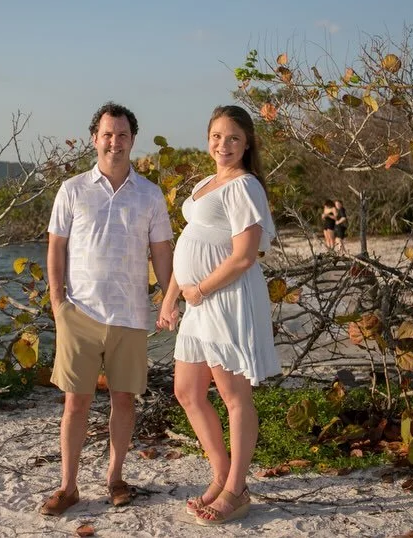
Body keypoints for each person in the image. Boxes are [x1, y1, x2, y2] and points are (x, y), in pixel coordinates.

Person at [40, 102, 174, 516]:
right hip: (78, 314)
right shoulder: (72, 189)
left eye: (122, 135)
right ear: (94, 138)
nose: (114, 141)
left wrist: (169, 300)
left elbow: (162, 256)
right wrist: (58, 301)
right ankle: (69, 486)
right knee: (74, 404)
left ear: (132, 140)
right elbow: (56, 247)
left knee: (124, 401)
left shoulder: (150, 195)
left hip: (131, 316)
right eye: (107, 134)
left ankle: (116, 478)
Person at [157, 105, 278, 526]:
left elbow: (245, 257)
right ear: (207, 139)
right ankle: (221, 474)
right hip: (195, 301)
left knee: (234, 396)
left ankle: (236, 488)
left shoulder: (245, 187)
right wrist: (171, 297)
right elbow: (189, 243)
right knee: (187, 391)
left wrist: (199, 290)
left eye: (232, 138)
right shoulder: (206, 182)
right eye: (216, 136)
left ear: (246, 145)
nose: (222, 145)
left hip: (226, 300)